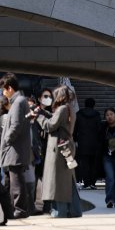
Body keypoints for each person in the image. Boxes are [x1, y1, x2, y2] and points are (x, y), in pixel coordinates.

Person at [32, 85, 81, 218]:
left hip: (58, 149)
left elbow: (50, 126)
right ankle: (74, 210)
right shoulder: (69, 109)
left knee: (57, 180)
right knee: (68, 180)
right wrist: (43, 113)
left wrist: (38, 116)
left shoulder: (62, 109)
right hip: (66, 146)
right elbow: (56, 120)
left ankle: (60, 211)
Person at [0, 73, 32, 218]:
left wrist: (6, 140)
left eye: (4, 90)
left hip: (15, 150)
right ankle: (16, 209)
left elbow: (16, 125)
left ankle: (20, 210)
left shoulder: (18, 102)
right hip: (17, 149)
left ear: (9, 88)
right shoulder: (20, 100)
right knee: (15, 180)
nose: (3, 93)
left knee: (16, 181)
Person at [74, 98, 101, 190]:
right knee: (93, 163)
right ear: (93, 105)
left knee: (84, 163)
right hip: (94, 142)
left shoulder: (79, 114)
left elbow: (75, 128)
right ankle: (93, 182)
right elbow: (99, 129)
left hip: (82, 141)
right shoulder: (97, 115)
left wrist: (75, 139)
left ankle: (86, 183)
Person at [101, 107, 115, 208]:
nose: (109, 117)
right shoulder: (103, 128)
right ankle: (109, 199)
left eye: (111, 114)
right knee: (110, 178)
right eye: (107, 115)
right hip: (107, 157)